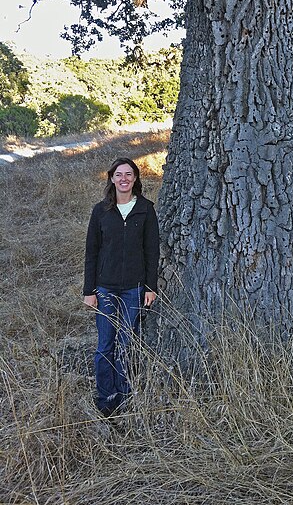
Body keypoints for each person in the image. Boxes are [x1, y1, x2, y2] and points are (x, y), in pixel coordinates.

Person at [83, 157, 160, 417]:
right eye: (119, 174)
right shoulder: (101, 211)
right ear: (112, 179)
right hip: (105, 289)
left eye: (129, 174)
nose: (124, 179)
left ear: (136, 178)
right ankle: (106, 398)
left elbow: (152, 251)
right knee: (106, 343)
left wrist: (150, 287)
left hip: (134, 289)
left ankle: (126, 396)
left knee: (127, 343)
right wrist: (88, 291)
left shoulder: (146, 209)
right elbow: (91, 252)